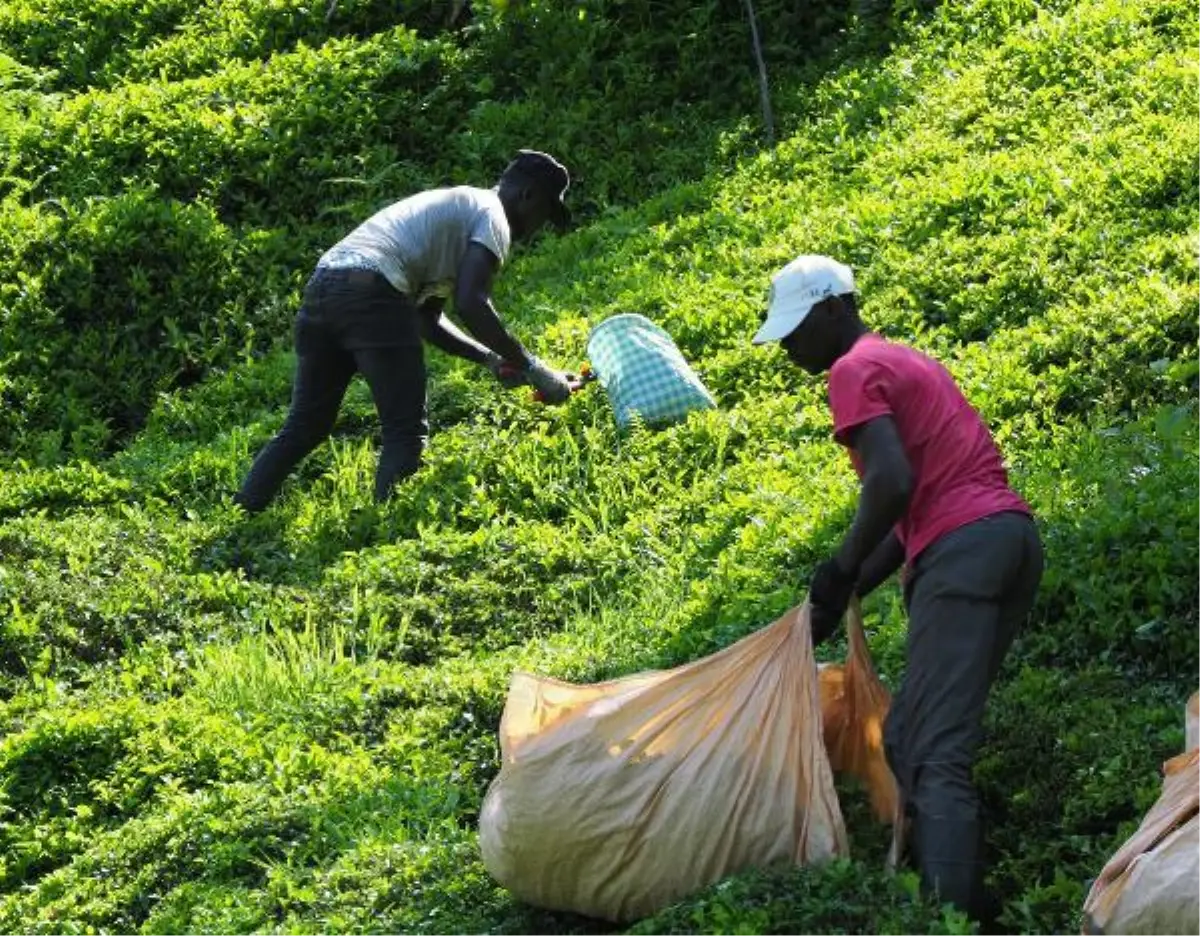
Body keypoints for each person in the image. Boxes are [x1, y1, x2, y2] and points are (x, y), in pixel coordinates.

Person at [752, 255, 1044, 922]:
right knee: (911, 734)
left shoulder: (852, 370)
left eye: (797, 331)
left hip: (963, 552)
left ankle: (953, 915)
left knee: (935, 749)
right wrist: (842, 588)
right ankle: (963, 887)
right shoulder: (903, 359)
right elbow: (910, 511)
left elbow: (891, 484)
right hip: (1005, 541)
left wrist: (838, 564)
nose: (792, 348)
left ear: (834, 309)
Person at [234, 150, 578, 512]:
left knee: (306, 424)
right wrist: (534, 368)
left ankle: (242, 516)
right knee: (405, 431)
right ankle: (387, 536)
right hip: (373, 294)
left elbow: (425, 318)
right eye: (546, 214)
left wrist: (492, 359)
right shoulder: (492, 216)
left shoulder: (462, 207)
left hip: (324, 288)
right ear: (528, 196)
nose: (540, 226)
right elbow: (471, 303)